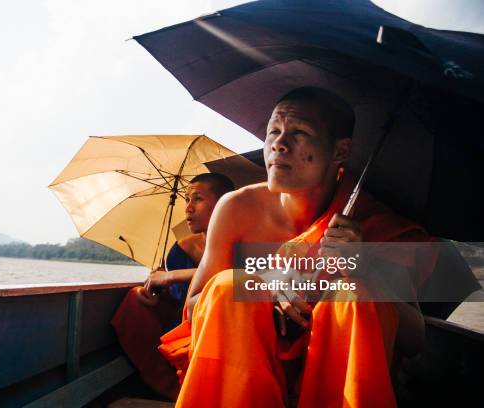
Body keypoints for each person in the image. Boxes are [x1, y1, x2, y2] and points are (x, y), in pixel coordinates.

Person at [158, 87, 435, 407]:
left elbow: (416, 338)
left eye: (299, 133)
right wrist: (261, 283)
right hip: (244, 373)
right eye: (273, 131)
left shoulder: (371, 223)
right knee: (229, 286)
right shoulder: (237, 208)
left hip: (335, 381)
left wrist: (365, 268)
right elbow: (195, 306)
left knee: (353, 295)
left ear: (340, 151)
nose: (279, 144)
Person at [111, 173, 234, 400]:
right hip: (185, 322)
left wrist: (172, 276)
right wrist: (158, 293)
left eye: (197, 199)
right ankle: (171, 387)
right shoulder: (181, 248)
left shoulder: (246, 239)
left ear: (225, 203)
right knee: (135, 298)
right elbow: (178, 301)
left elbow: (246, 277)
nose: (188, 208)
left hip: (225, 330)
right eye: (186, 199)